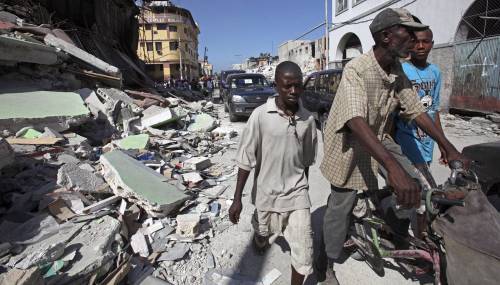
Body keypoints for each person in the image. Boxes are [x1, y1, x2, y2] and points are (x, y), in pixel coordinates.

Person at [318, 8, 469, 284]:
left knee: (418, 187)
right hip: (350, 146)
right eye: (408, 33)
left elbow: (415, 109)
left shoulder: (396, 69)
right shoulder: (357, 69)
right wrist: (392, 167)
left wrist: (447, 146)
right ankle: (326, 263)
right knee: (341, 206)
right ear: (387, 36)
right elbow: (355, 119)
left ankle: (394, 231)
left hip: (380, 140)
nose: (415, 39)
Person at [229, 61, 317, 285]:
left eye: (298, 86)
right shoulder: (261, 116)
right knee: (263, 230)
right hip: (266, 193)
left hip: (296, 194)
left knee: (303, 251)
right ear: (276, 85)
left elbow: (306, 161)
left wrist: (303, 192)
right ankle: (261, 235)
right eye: (287, 86)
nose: (293, 91)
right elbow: (246, 159)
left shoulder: (308, 120)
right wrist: (237, 199)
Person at [395, 27, 443, 187]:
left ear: (432, 44)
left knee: (418, 185)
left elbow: (434, 110)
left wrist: (442, 143)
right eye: (416, 42)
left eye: (425, 42)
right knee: (423, 188)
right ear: (409, 44)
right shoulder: (401, 70)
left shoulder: (435, 72)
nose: (420, 46)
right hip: (407, 138)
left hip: (428, 141)